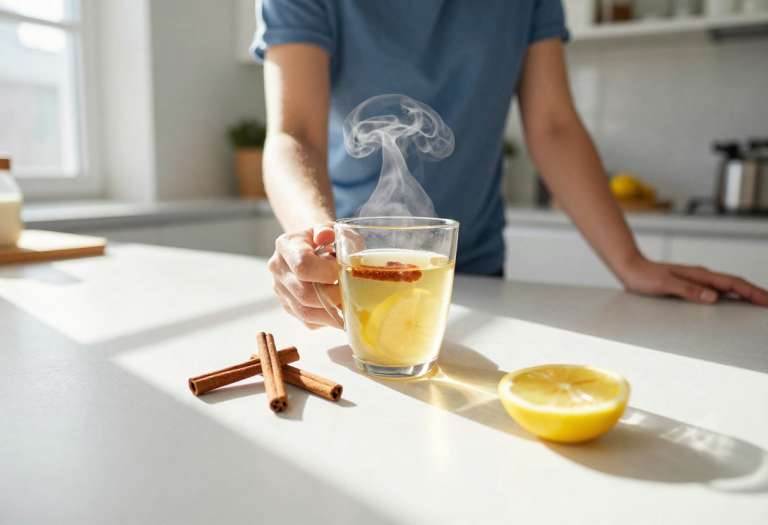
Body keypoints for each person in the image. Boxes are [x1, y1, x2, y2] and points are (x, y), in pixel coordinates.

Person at [251, 0, 768, 330]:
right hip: (353, 271)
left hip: (474, 267)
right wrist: (318, 240)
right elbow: (295, 133)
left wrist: (630, 262)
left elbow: (553, 127)